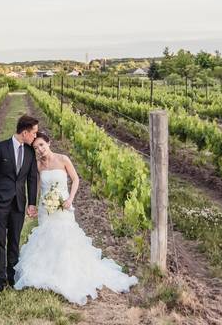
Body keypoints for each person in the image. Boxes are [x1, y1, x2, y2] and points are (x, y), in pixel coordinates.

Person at [12, 130, 138, 305]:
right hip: (47, 208)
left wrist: (70, 199)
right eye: (35, 148)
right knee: (46, 238)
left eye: (41, 145)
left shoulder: (63, 159)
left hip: (64, 206)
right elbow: (37, 187)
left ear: (48, 143)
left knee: (66, 238)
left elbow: (76, 179)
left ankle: (68, 272)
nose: (39, 150)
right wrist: (35, 204)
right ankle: (47, 271)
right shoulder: (38, 166)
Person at [0, 114, 39, 293]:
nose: (35, 137)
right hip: (0, 203)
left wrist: (31, 203)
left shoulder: (30, 152)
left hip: (18, 204)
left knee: (14, 241)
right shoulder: (0, 148)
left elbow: (31, 179)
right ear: (24, 132)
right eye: (34, 133)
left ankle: (11, 276)